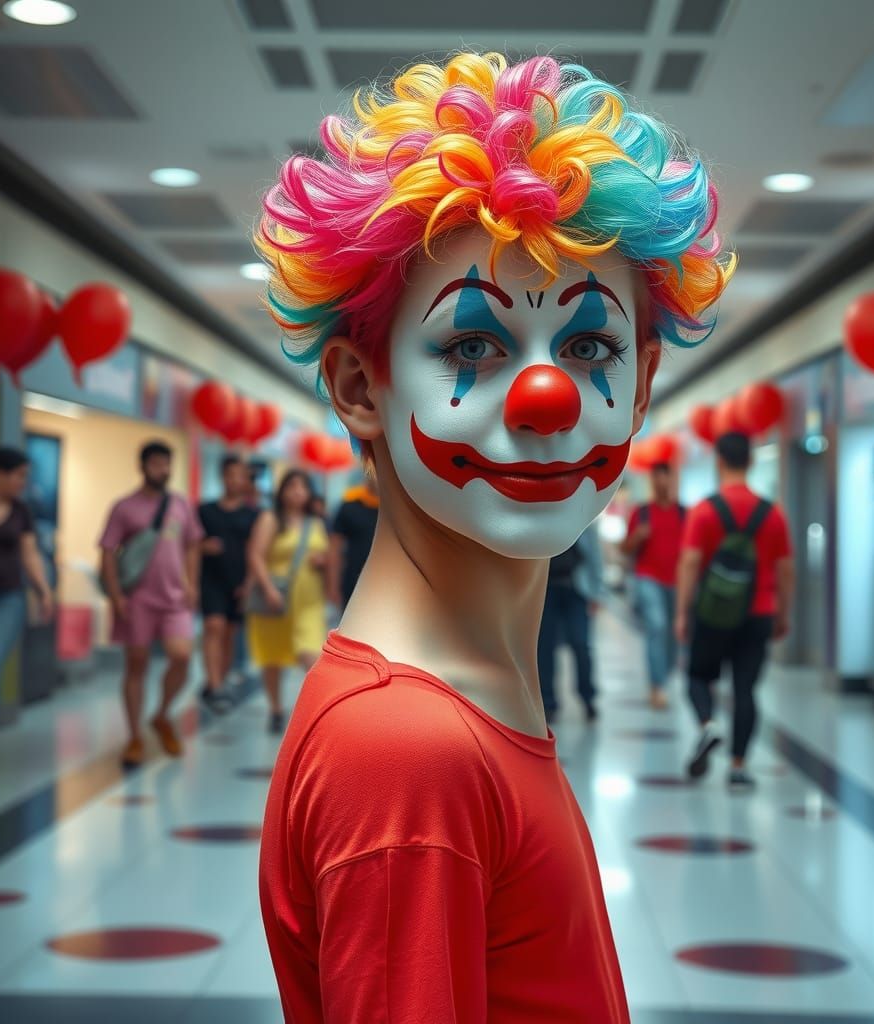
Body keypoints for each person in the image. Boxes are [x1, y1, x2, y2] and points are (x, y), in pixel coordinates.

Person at [255, 52, 732, 1021]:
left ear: (638, 386)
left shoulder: (459, 703)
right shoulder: (406, 751)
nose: (547, 398)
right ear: (359, 387)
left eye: (588, 345)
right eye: (471, 344)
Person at [675, 432, 793, 791]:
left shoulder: (705, 511)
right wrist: (782, 614)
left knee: (698, 677)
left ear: (719, 462)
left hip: (712, 614)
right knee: (746, 689)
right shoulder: (772, 514)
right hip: (758, 612)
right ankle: (739, 768)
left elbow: (690, 562)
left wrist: (682, 611)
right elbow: (787, 570)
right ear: (751, 462)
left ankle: (708, 725)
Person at [99, 441, 203, 769]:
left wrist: (191, 582)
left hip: (174, 599)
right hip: (137, 600)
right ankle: (134, 737)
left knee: (182, 656)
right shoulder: (124, 508)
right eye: (157, 463)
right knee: (137, 665)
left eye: (167, 464)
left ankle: (160, 715)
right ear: (142, 466)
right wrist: (115, 596)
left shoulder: (180, 505)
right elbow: (107, 553)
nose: (164, 470)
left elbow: (192, 545)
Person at [0, 447, 54, 787]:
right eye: (19, 475)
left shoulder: (21, 511)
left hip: (6, 598)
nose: (23, 483)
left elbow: (30, 555)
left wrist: (43, 589)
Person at [246, 469, 329, 733]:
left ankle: (311, 716)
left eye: (302, 487)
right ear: (281, 491)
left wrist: (322, 561)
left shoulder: (315, 522)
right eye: (292, 486)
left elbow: (327, 554)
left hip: (308, 601)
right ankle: (275, 708)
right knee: (273, 658)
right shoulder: (270, 519)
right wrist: (268, 588)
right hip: (276, 600)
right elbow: (256, 555)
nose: (297, 492)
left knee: (312, 656)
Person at [622, 460, 685, 709]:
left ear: (672, 480)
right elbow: (625, 549)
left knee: (673, 634)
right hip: (647, 577)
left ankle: (663, 676)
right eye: (657, 477)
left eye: (666, 477)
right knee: (657, 626)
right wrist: (637, 538)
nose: (662, 482)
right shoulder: (642, 513)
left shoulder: (683, 513)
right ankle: (657, 685)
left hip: (676, 582)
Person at [197, 455, 258, 712]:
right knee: (214, 626)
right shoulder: (204, 510)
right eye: (230, 474)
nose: (235, 480)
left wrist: (250, 583)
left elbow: (258, 552)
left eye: (240, 475)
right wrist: (203, 547)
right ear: (222, 477)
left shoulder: (254, 515)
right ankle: (214, 684)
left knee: (230, 634)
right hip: (211, 580)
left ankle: (217, 682)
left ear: (246, 480)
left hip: (239, 582)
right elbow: (189, 545)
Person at [538, 522, 603, 723]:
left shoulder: (581, 515)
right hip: (546, 590)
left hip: (576, 588)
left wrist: (596, 592)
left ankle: (587, 696)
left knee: (580, 642)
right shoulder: (540, 516)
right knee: (544, 647)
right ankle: (547, 702)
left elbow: (595, 556)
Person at [326, 473, 379, 609]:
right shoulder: (349, 507)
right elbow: (334, 549)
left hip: (386, 584)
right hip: (353, 583)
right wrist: (333, 586)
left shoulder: (396, 509)